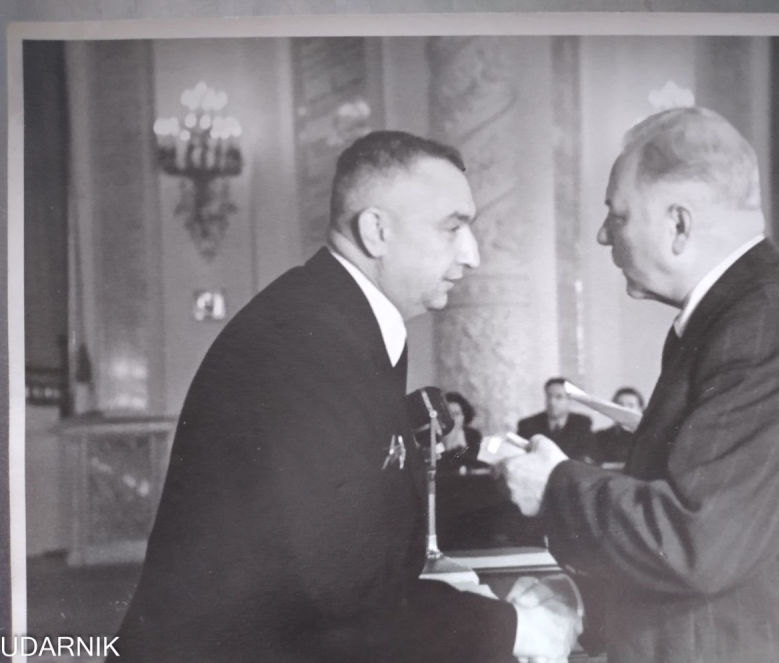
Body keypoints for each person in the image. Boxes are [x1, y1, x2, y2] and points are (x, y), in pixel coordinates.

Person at [113, 131, 579, 662]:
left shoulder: (337, 318)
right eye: (453, 227)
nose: (472, 254)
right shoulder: (301, 343)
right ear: (377, 231)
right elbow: (339, 594)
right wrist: (514, 628)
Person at [497, 107, 779, 663]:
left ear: (679, 225)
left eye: (618, 215)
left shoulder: (768, 325)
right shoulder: (741, 315)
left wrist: (555, 486)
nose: (603, 234)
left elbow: (698, 540)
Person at [517, 377, 595, 463]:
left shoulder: (582, 424)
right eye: (549, 396)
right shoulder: (527, 425)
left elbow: (586, 457)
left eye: (559, 397)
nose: (552, 402)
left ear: (570, 400)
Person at [592, 387, 644, 466]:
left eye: (631, 405)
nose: (625, 409)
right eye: (620, 405)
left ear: (640, 409)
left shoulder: (646, 438)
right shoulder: (600, 436)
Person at [438, 391, 487, 473]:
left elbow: (470, 458)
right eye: (448, 414)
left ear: (464, 416)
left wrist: (455, 451)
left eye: (456, 414)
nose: (452, 419)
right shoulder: (434, 436)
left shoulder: (472, 435)